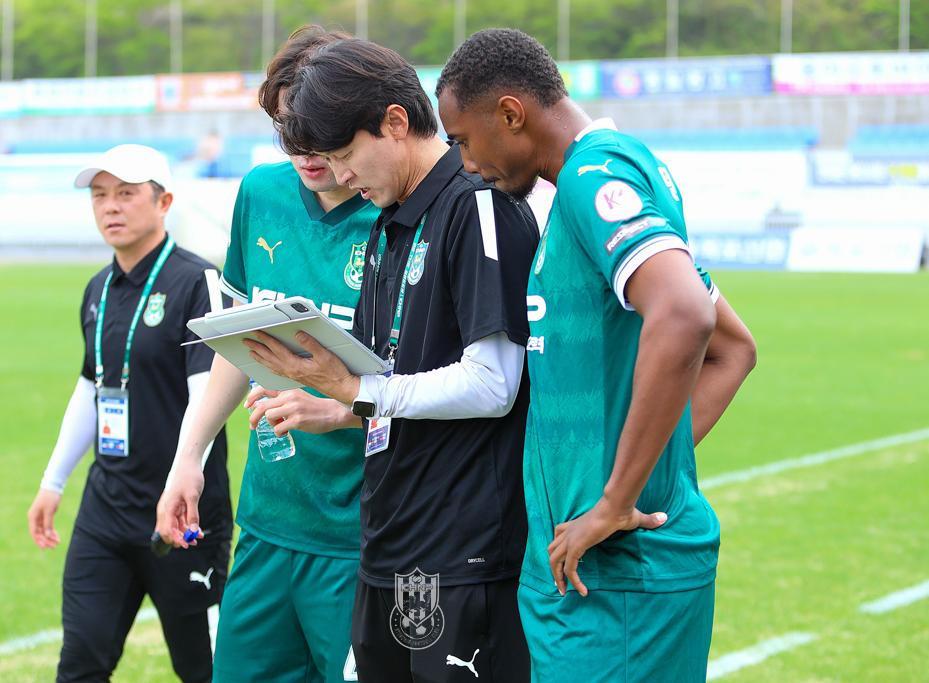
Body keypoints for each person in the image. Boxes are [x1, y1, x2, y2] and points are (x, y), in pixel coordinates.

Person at [435, 28, 757, 683]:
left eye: (463, 140)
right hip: (592, 578)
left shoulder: (592, 176)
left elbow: (688, 315)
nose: (465, 164)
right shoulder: (591, 183)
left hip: (619, 585)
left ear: (510, 113)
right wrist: (635, 473)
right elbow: (733, 348)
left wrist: (616, 499)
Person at [244, 38, 541, 683]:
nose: (342, 176)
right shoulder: (390, 218)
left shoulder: (478, 204)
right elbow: (392, 377)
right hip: (386, 543)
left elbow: (494, 383)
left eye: (345, 155)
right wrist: (337, 406)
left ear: (396, 122)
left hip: (462, 552)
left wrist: (352, 388)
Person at [156, 26, 382, 683]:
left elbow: (437, 383)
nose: (303, 148)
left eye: (319, 129)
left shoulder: (398, 215)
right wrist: (189, 457)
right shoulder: (262, 192)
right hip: (266, 524)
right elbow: (240, 342)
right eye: (287, 129)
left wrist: (342, 407)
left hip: (361, 538)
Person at [26, 143, 233, 683]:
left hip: (183, 515)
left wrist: (182, 480)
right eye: (99, 196)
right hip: (106, 512)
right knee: (80, 664)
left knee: (205, 669)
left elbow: (208, 394)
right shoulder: (98, 288)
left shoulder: (197, 282)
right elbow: (91, 386)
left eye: (125, 193)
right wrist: (53, 481)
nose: (110, 206)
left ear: (164, 202)